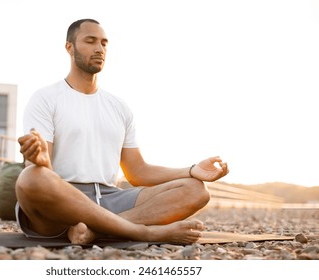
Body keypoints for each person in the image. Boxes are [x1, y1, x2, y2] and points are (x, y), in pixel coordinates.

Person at [16, 18, 229, 245]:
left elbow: (138, 172)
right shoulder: (45, 98)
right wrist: (41, 162)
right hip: (63, 202)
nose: (99, 49)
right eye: (90, 41)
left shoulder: (118, 107)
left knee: (196, 190)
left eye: (104, 43)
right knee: (31, 178)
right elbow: (42, 175)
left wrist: (193, 170)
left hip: (111, 197)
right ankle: (144, 233)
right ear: (70, 47)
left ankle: (95, 231)